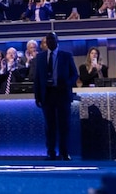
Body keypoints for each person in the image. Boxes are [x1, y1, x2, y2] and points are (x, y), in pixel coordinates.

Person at [34, 32, 78, 161]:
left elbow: (74, 75)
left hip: (62, 94)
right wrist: (37, 96)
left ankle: (64, 152)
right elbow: (37, 78)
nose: (50, 42)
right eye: (48, 40)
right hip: (47, 95)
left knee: (64, 125)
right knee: (49, 125)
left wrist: (66, 84)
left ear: (57, 41)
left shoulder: (66, 56)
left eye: (52, 39)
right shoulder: (40, 57)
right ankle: (51, 152)